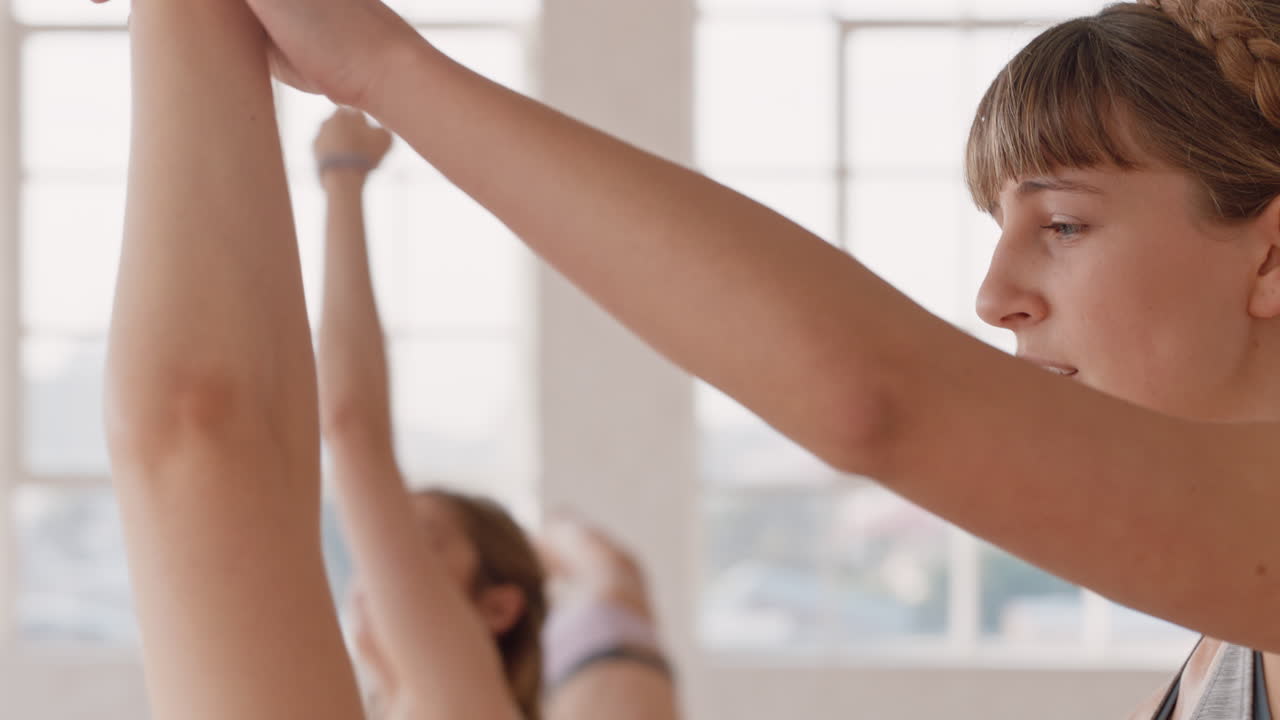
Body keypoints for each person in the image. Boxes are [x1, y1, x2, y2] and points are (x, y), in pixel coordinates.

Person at [102, 0, 1280, 717]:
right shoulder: (1207, 662)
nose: (993, 299)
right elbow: (195, 434)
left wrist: (379, 67)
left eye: (1061, 225)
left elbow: (877, 400)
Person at [313, 107, 679, 720]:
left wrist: (342, 174)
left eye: (415, 545)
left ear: (497, 609)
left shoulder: (460, 703)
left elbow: (352, 431)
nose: (383, 554)